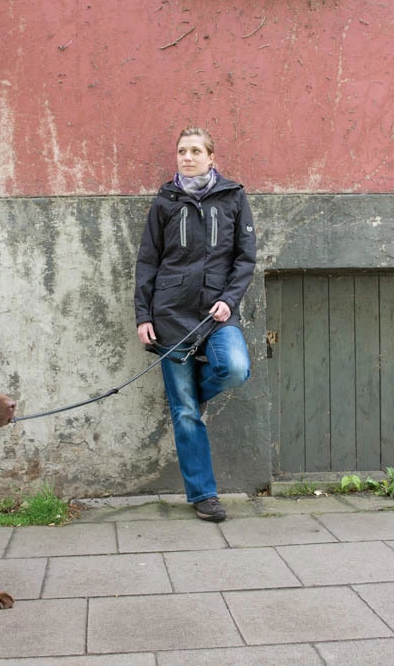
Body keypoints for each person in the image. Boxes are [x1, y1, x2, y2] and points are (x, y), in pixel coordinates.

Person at [133, 126, 257, 522]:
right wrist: (144, 315)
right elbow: (148, 260)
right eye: (182, 151)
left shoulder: (233, 197)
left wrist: (229, 299)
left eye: (195, 151)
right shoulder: (165, 201)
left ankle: (191, 393)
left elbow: (245, 258)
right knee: (185, 413)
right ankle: (204, 494)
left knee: (234, 368)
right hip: (171, 313)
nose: (187, 157)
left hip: (217, 313)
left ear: (211, 157)